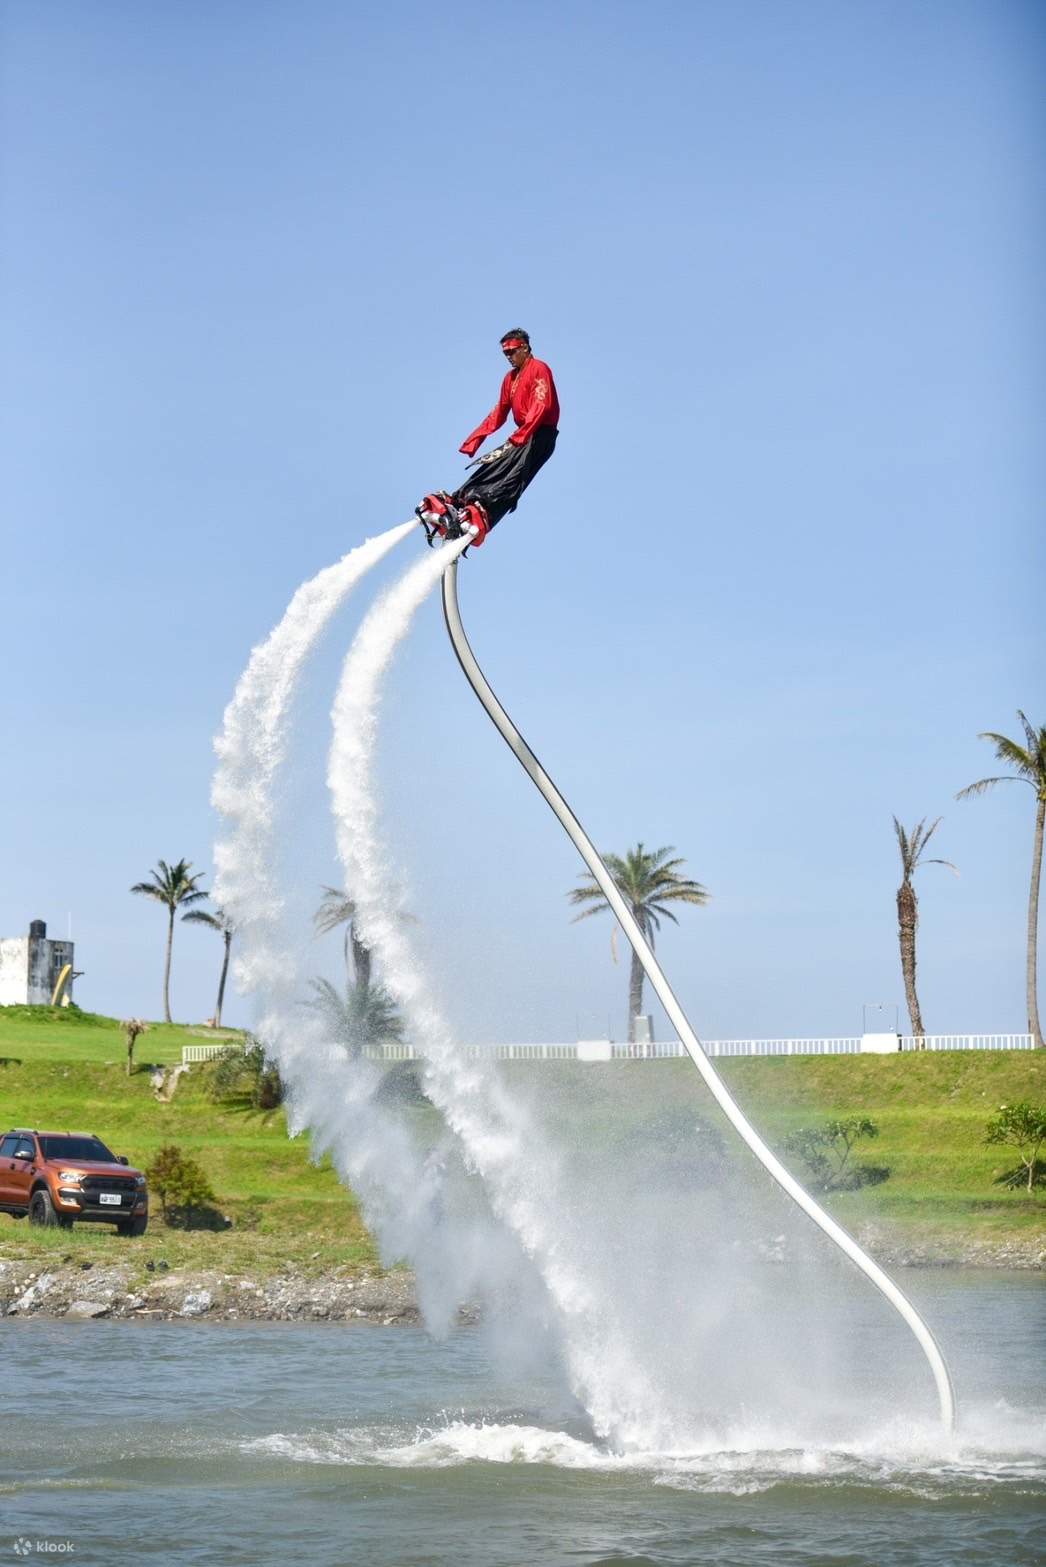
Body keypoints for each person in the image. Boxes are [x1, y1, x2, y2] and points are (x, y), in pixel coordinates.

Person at [416, 328, 560, 548]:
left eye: (512, 352)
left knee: (510, 476)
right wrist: (476, 438)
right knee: (492, 466)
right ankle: (460, 500)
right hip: (523, 434)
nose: (509, 358)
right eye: (505, 354)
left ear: (524, 347)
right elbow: (499, 412)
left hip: (539, 435)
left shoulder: (539, 368)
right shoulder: (510, 379)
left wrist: (522, 434)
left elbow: (542, 405)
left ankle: (485, 511)